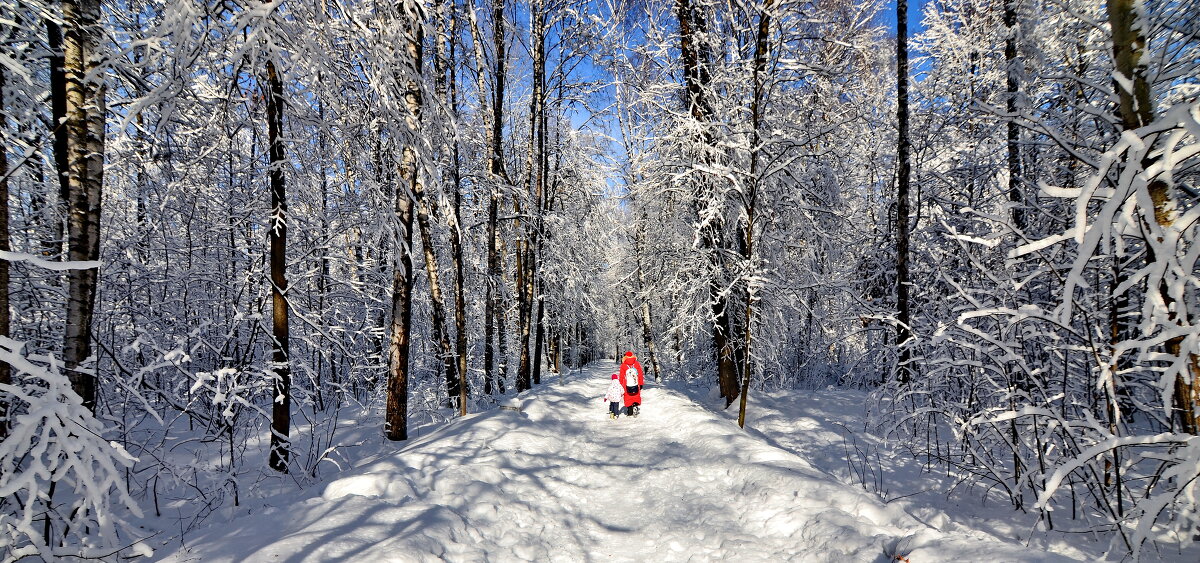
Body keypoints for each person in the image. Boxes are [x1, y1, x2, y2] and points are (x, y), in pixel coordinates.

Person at [619, 351, 644, 416]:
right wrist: (641, 383)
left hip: (626, 383)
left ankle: (630, 411)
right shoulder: (636, 363)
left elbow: (621, 376)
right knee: (636, 395)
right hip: (636, 383)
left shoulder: (623, 365)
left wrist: (620, 384)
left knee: (628, 396)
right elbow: (640, 374)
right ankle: (635, 405)